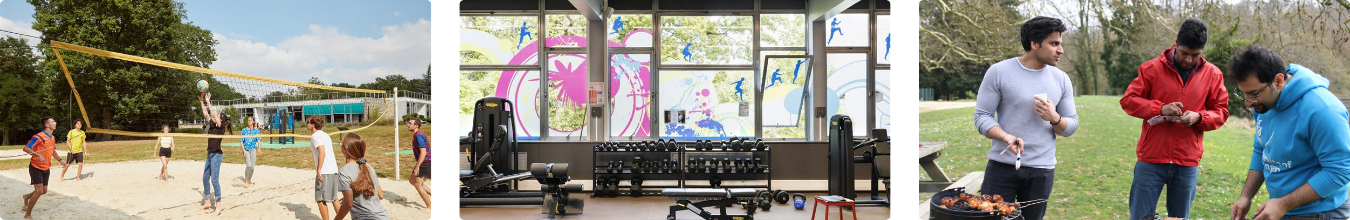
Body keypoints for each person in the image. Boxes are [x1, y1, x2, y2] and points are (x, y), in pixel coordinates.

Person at [1119, 18, 1229, 220]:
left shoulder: (1213, 74)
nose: (1188, 60)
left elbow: (1221, 111)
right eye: (1184, 53)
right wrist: (1159, 108)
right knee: (1140, 217)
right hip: (1151, 158)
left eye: (1195, 55)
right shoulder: (1151, 69)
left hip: (1187, 161)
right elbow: (1128, 101)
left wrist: (1199, 117)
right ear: (1176, 42)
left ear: (1202, 51)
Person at [971, 16, 1078, 220]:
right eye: (1054, 43)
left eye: (1060, 44)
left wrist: (1054, 117)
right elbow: (982, 117)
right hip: (1001, 167)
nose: (1060, 50)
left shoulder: (1061, 79)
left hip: (1042, 171)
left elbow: (1070, 126)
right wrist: (1004, 136)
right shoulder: (998, 72)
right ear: (1034, 43)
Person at [1227, 45, 1350, 220]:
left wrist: (1283, 204)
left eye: (1253, 94)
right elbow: (1262, 148)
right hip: (1283, 208)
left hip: (1322, 212)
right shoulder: (1264, 103)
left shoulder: (1323, 109)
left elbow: (1339, 171)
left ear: (1278, 81)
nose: (1248, 103)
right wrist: (1246, 196)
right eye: (1244, 94)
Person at [334, 133, 390, 220]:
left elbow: (348, 204)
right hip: (383, 216)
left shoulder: (344, 172)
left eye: (342, 143)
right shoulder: (368, 167)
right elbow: (381, 195)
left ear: (345, 149)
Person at [22, 116, 68, 220]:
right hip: (35, 167)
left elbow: (52, 150)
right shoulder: (39, 137)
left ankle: (26, 197)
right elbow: (25, 148)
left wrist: (60, 160)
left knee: (44, 191)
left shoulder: (52, 137)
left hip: (46, 167)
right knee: (38, 191)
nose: (55, 123)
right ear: (47, 125)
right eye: (53, 122)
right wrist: (38, 155)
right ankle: (27, 215)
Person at [197, 92, 231, 215]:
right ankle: (207, 202)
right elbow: (206, 114)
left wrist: (208, 101)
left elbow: (211, 113)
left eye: (218, 115)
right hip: (209, 154)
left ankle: (218, 205)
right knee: (205, 178)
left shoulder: (220, 127)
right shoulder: (212, 124)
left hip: (217, 155)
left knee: (214, 180)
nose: (215, 115)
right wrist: (201, 101)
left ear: (221, 119)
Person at [309, 116, 341, 220]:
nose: (306, 124)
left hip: (325, 171)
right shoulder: (325, 135)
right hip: (334, 170)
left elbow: (322, 152)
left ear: (313, 125)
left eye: (308, 122)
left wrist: (319, 170)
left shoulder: (315, 136)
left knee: (320, 199)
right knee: (334, 198)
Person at [408, 117, 432, 208]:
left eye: (410, 123)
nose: (408, 124)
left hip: (425, 162)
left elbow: (423, 152)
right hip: (424, 162)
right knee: (412, 181)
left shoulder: (418, 135)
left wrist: (417, 166)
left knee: (418, 184)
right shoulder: (416, 135)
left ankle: (429, 206)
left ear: (416, 125)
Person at [240, 116, 261, 187]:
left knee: (252, 167)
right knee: (248, 165)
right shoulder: (244, 130)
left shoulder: (256, 130)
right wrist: (243, 150)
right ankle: (246, 179)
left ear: (253, 122)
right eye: (248, 120)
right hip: (246, 150)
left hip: (253, 149)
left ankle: (249, 179)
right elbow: (241, 141)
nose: (249, 121)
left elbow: (258, 140)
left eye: (250, 120)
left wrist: (259, 148)